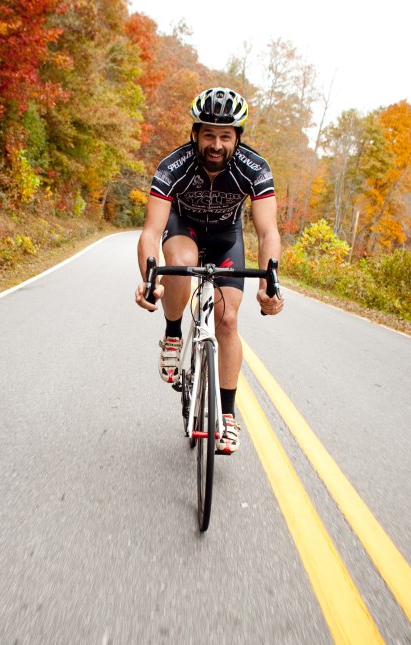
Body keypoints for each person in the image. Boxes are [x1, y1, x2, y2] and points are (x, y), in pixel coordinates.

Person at [134, 87, 284, 454]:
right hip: (183, 229)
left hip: (226, 237)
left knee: (228, 319)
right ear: (195, 134)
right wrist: (149, 280)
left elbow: (267, 232)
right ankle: (173, 334)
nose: (216, 144)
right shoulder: (173, 166)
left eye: (225, 136)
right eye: (209, 135)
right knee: (181, 266)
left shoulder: (255, 168)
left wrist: (270, 283)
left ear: (237, 138)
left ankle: (228, 416)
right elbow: (151, 232)